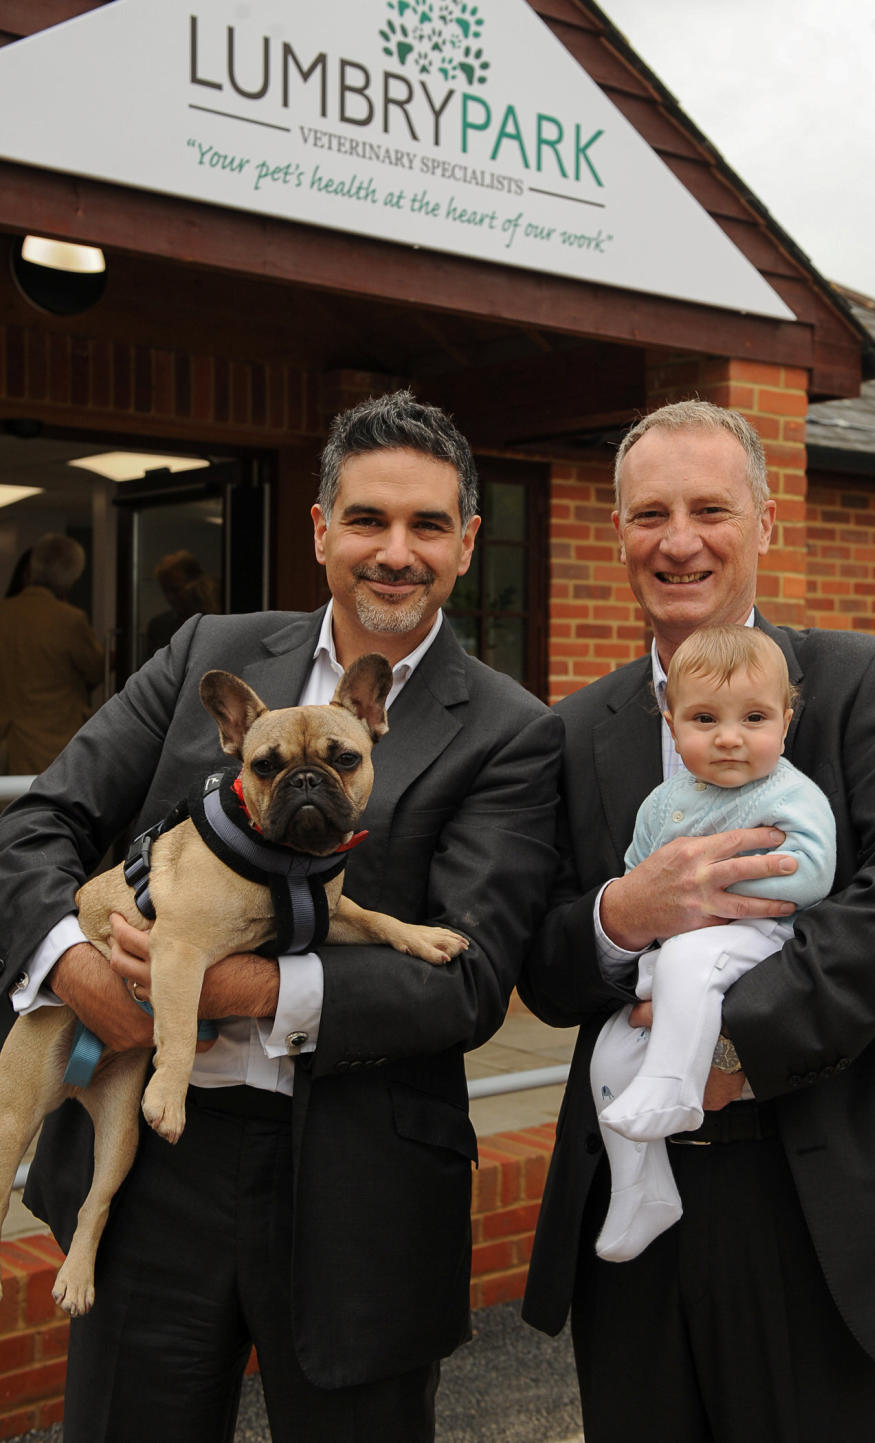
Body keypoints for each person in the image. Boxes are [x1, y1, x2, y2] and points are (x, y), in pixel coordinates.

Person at [0, 390, 562, 1443]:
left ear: (467, 542)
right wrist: (79, 971)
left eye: (428, 525)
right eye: (367, 520)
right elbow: (43, 824)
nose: (395, 552)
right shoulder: (206, 652)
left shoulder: (512, 728)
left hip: (359, 1185)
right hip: (155, 1172)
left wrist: (230, 989)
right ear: (319, 529)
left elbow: (471, 977)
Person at [520, 399, 875, 1443]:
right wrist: (618, 916)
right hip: (636, 1216)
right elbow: (539, 963)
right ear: (616, 531)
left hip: (828, 1195)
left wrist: (727, 1043)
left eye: (710, 508)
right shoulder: (572, 730)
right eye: (649, 514)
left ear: (764, 523)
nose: (678, 541)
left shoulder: (864, 681)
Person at [590, 624, 836, 1262]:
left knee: (694, 959)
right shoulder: (661, 802)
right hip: (675, 954)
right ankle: (640, 1189)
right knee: (611, 1051)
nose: (729, 736)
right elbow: (638, 875)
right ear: (671, 723)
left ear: (786, 720)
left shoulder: (788, 791)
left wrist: (707, 884)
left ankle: (674, 1087)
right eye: (705, 718)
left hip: (762, 937)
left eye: (753, 717)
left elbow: (812, 871)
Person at [0, 532, 104, 775]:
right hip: (54, 741)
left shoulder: (3, 613)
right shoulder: (69, 619)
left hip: (7, 740)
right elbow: (95, 670)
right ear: (73, 575)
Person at [145, 548, 221, 656]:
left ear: (195, 584)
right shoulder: (160, 627)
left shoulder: (216, 620)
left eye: (176, 590)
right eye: (166, 591)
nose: (170, 598)